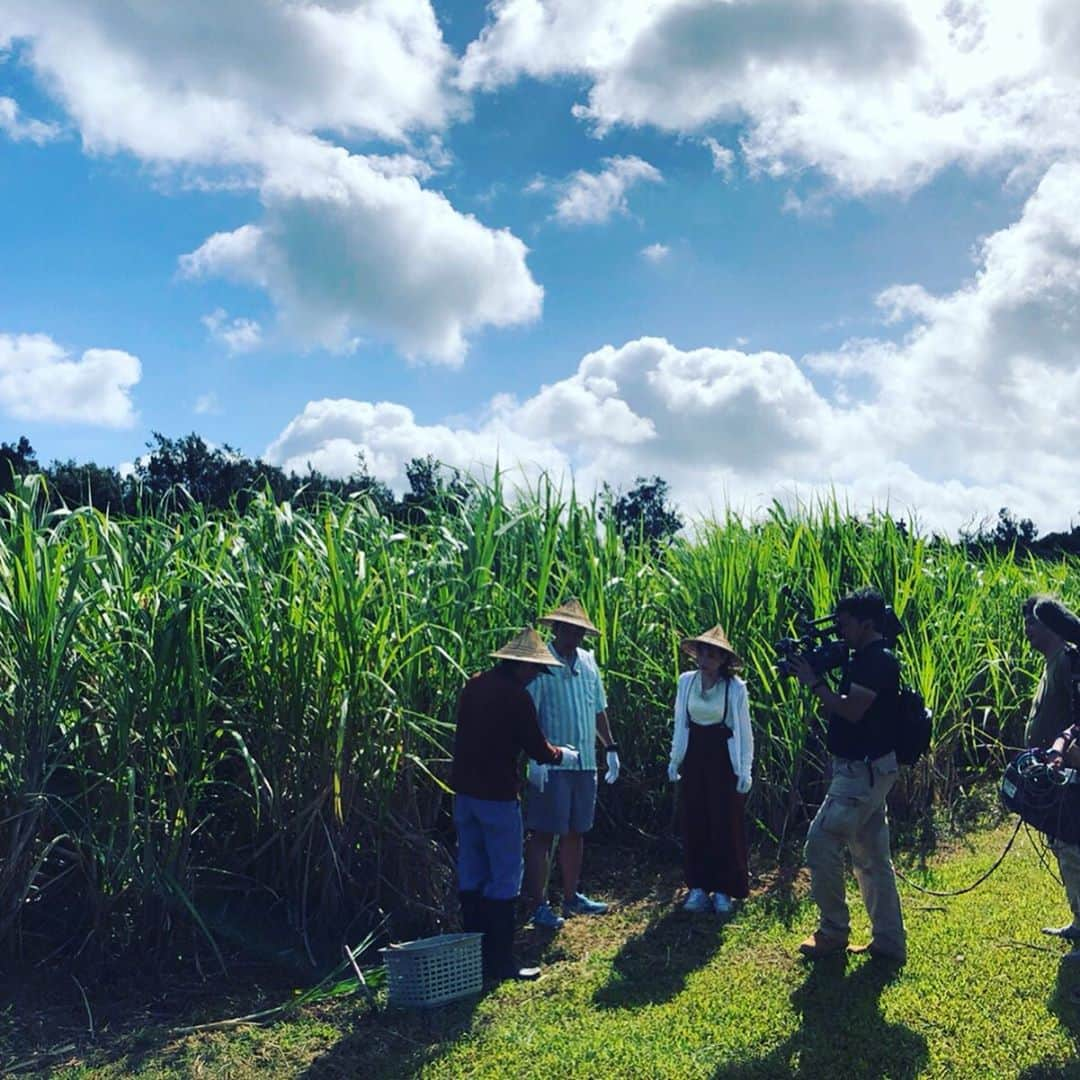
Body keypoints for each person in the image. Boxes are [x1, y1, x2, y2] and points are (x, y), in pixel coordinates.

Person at [450, 628, 580, 981]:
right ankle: (500, 963)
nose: (536, 676)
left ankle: (472, 961)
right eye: (536, 670)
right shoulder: (515, 697)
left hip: (464, 796)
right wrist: (562, 755)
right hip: (497, 797)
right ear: (522, 665)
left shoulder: (474, 685)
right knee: (505, 877)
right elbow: (537, 748)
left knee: (472, 874)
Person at [791, 587, 907, 963]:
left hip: (861, 773)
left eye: (844, 624)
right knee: (872, 857)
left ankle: (833, 932)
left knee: (820, 844)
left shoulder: (876, 662)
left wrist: (814, 681)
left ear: (866, 623)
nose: (840, 632)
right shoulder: (868, 658)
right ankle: (889, 942)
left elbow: (851, 710)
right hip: (869, 769)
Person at [522, 599, 619, 929]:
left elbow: (598, 709)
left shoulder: (589, 662)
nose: (575, 634)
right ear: (557, 628)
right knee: (544, 833)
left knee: (577, 831)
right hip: (552, 764)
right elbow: (528, 714)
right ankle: (539, 904)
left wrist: (611, 747)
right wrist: (536, 758)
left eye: (580, 630)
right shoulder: (541, 663)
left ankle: (572, 896)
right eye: (569, 628)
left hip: (585, 764)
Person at [667, 624, 754, 914]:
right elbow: (681, 723)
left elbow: (744, 732)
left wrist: (745, 770)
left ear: (723, 660)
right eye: (702, 653)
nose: (706, 660)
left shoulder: (735, 689)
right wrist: (674, 760)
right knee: (695, 820)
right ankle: (698, 887)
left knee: (724, 822)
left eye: (713, 656)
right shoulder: (686, 682)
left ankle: (725, 889)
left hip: (722, 759)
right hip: (694, 756)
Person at [1023, 595, 1080, 955]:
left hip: (1070, 771)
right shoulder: (1052, 663)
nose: (1027, 631)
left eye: (1033, 623)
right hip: (1054, 772)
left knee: (1074, 848)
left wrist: (1063, 751)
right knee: (1065, 848)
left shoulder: (1069, 661)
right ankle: (1079, 920)